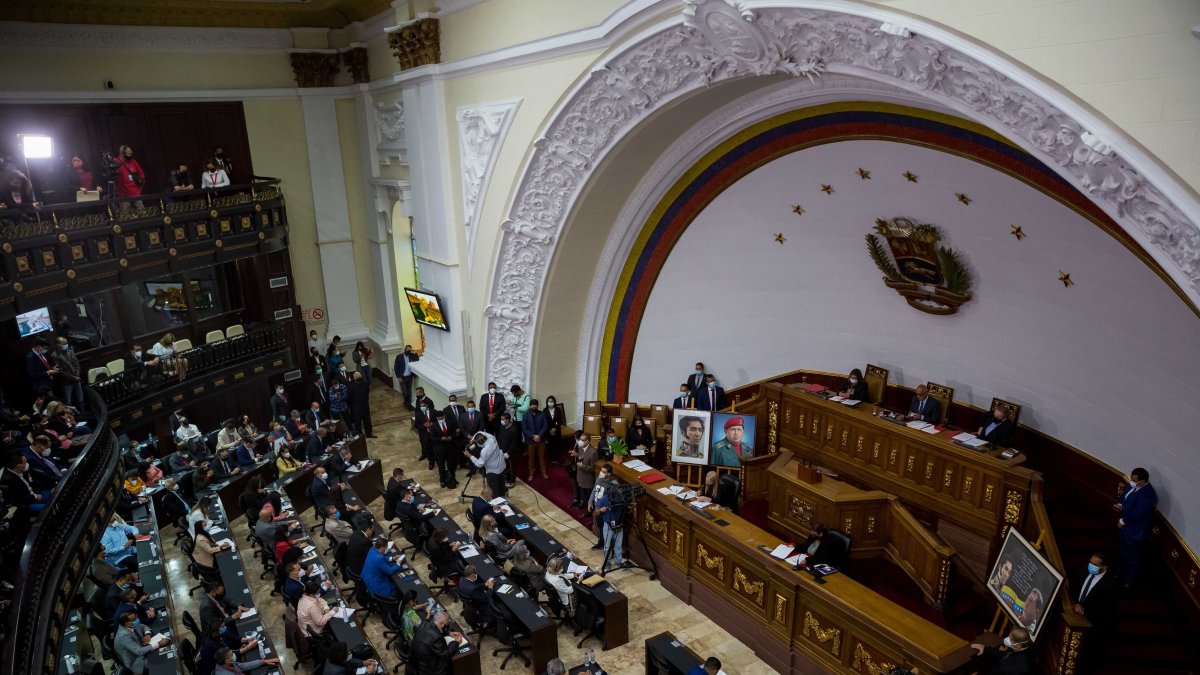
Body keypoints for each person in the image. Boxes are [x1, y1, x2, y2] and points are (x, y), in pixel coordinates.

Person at [1114, 467, 1157, 587]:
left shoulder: (1149, 495)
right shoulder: (1132, 485)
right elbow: (1125, 498)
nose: (1131, 482)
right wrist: (1120, 504)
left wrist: (1123, 521)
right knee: (1123, 552)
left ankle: (1129, 581)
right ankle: (1120, 573)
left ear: (1142, 482)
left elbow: (1138, 513)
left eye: (1134, 480)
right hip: (1125, 530)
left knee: (1133, 558)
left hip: (1135, 533)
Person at [409, 610, 462, 675]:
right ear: (442, 624)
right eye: (446, 624)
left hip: (417, 661)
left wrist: (449, 633)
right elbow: (446, 654)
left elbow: (435, 630)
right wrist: (456, 642)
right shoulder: (436, 638)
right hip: (428, 668)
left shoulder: (425, 623)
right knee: (449, 661)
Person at [594, 474, 628, 572]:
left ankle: (618, 561)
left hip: (619, 525)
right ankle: (607, 562)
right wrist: (601, 510)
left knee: (618, 545)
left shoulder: (621, 498)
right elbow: (595, 513)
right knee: (607, 545)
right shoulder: (605, 498)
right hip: (608, 526)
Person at [464, 431, 508, 498]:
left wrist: (470, 455)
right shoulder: (492, 438)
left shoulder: (484, 451)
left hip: (493, 472)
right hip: (502, 466)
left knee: (494, 492)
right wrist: (473, 439)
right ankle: (503, 500)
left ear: (480, 443)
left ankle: (496, 504)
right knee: (502, 488)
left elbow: (479, 464)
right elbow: (480, 432)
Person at [50, 336, 84, 412]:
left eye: (66, 343)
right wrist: (74, 378)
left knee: (80, 400)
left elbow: (77, 364)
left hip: (76, 379)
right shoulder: (55, 356)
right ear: (58, 345)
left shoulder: (70, 351)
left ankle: (83, 415)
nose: (66, 345)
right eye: (64, 343)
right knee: (68, 403)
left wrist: (77, 375)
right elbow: (61, 373)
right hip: (66, 382)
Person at [522, 398, 549, 480]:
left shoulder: (542, 414)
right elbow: (524, 429)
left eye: (535, 406)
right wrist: (533, 436)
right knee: (531, 457)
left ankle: (543, 472)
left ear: (537, 406)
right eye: (532, 406)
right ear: (530, 406)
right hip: (530, 440)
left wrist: (539, 436)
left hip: (541, 440)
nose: (534, 407)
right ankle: (531, 473)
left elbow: (545, 426)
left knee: (542, 457)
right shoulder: (525, 415)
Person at [431, 411, 458, 488]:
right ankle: (442, 480)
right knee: (441, 466)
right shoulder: (434, 426)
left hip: (450, 447)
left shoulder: (450, 422)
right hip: (440, 449)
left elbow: (454, 433)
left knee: (451, 465)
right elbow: (432, 438)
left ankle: (452, 478)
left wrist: (451, 437)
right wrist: (441, 438)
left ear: (444, 416)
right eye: (439, 418)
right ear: (436, 418)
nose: (441, 419)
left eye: (442, 417)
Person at [571, 433, 597, 509]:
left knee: (589, 496)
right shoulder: (581, 448)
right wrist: (577, 455)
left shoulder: (593, 452)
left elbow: (592, 468)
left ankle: (590, 511)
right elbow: (582, 457)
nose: (580, 441)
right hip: (580, 475)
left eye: (582, 440)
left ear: (587, 441)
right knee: (583, 493)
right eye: (580, 440)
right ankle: (583, 504)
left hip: (588, 479)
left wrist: (582, 466)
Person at [213, 645, 279, 674]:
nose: (233, 656)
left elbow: (243, 666)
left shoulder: (228, 663)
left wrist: (263, 661)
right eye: (231, 655)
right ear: (227, 660)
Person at [348, 371, 374, 437]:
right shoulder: (351, 386)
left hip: (365, 405)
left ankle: (368, 433)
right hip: (356, 407)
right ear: (354, 378)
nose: (358, 378)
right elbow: (349, 397)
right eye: (356, 377)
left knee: (367, 420)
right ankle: (359, 435)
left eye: (358, 376)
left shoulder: (365, 384)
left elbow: (367, 392)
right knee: (357, 422)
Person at [393, 344, 419, 409]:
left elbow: (417, 359)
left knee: (409, 391)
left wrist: (414, 352)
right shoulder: (399, 357)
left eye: (409, 350)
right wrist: (398, 377)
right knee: (405, 392)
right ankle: (407, 403)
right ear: (405, 349)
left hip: (409, 377)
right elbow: (396, 367)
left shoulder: (411, 356)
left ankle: (408, 405)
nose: (408, 351)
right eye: (407, 350)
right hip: (402, 377)